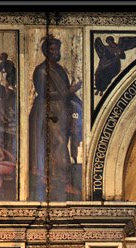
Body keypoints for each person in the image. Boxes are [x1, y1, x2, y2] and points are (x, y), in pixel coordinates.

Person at [29, 35, 82, 200]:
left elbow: (64, 91)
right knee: (56, 144)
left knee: (60, 143)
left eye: (57, 49)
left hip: (61, 112)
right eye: (52, 49)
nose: (56, 52)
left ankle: (58, 179)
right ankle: (59, 181)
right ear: (46, 51)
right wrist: (70, 91)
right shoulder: (41, 70)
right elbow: (45, 93)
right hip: (48, 113)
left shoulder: (59, 69)